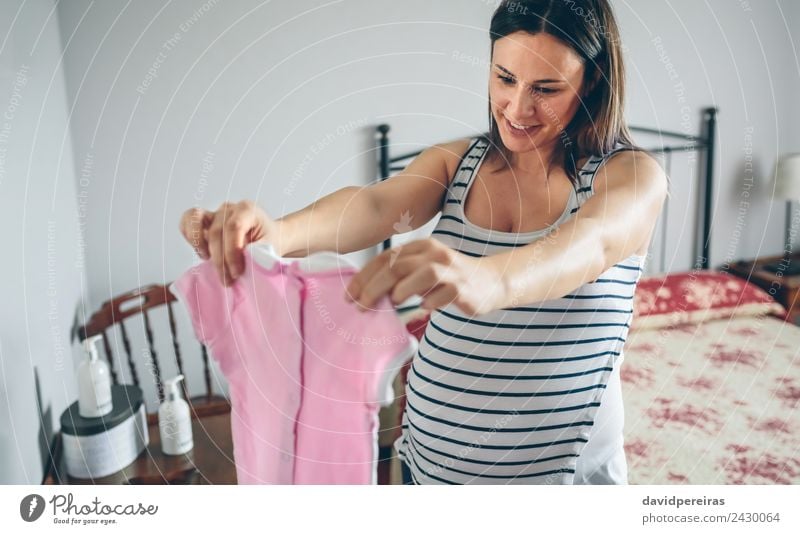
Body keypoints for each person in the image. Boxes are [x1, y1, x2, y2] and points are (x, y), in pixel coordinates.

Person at [179, 0, 667, 484]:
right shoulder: (459, 164)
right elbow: (375, 207)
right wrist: (278, 232)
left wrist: (487, 278)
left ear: (594, 81)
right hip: (425, 468)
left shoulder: (632, 177)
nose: (518, 108)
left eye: (546, 89)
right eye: (504, 78)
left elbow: (589, 245)